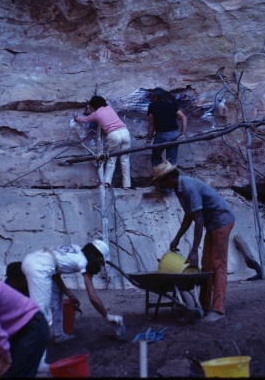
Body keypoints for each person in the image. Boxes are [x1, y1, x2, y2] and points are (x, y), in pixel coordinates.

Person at [151, 160, 235, 322]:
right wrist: (177, 238)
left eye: (162, 180)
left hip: (222, 221)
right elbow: (189, 216)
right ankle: (204, 307)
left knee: (218, 265)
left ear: (170, 177)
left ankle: (218, 310)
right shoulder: (178, 189)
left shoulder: (188, 187)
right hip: (212, 223)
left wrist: (194, 250)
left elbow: (199, 220)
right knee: (206, 266)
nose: (161, 184)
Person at [21, 239, 123, 370]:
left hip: (37, 262)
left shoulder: (76, 249)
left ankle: (58, 335)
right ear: (97, 257)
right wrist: (107, 316)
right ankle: (38, 362)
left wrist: (69, 294)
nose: (100, 266)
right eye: (100, 262)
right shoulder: (83, 262)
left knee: (56, 297)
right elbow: (93, 298)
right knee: (42, 316)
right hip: (38, 268)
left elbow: (55, 272)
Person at [74, 96, 131, 189]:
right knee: (125, 159)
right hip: (125, 132)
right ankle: (127, 185)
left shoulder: (96, 114)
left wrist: (76, 118)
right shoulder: (109, 108)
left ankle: (107, 182)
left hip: (113, 135)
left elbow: (84, 119)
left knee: (111, 159)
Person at [146, 88, 188, 167]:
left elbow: (151, 124)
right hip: (175, 134)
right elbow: (184, 118)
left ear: (155, 97)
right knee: (171, 161)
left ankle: (160, 175)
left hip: (162, 135)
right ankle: (171, 177)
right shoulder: (171, 104)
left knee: (156, 158)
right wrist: (183, 134)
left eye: (152, 97)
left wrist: (149, 140)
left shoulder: (152, 106)